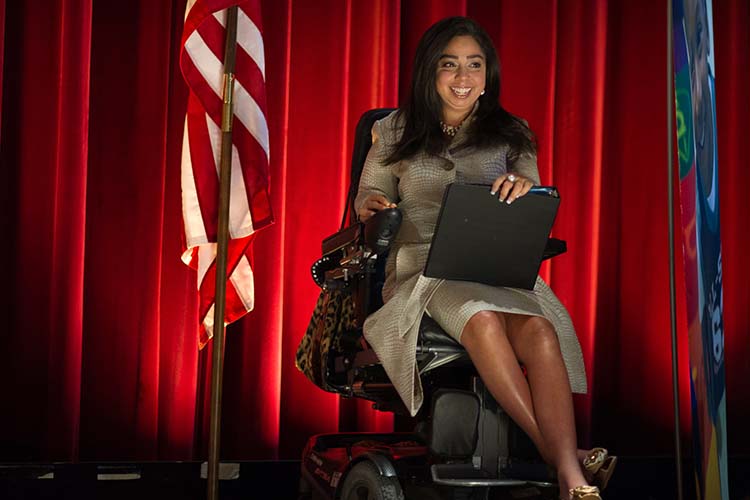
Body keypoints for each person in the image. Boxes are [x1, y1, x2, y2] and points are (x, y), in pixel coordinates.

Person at [354, 17, 614, 500]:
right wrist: (369, 206)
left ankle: (563, 464)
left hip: (494, 266)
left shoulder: (512, 133)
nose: (463, 77)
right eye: (450, 65)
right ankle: (568, 468)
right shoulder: (393, 130)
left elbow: (537, 199)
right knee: (483, 320)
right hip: (425, 269)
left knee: (539, 329)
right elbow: (369, 192)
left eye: (474, 65)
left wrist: (523, 188)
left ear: (488, 74)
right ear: (430, 71)